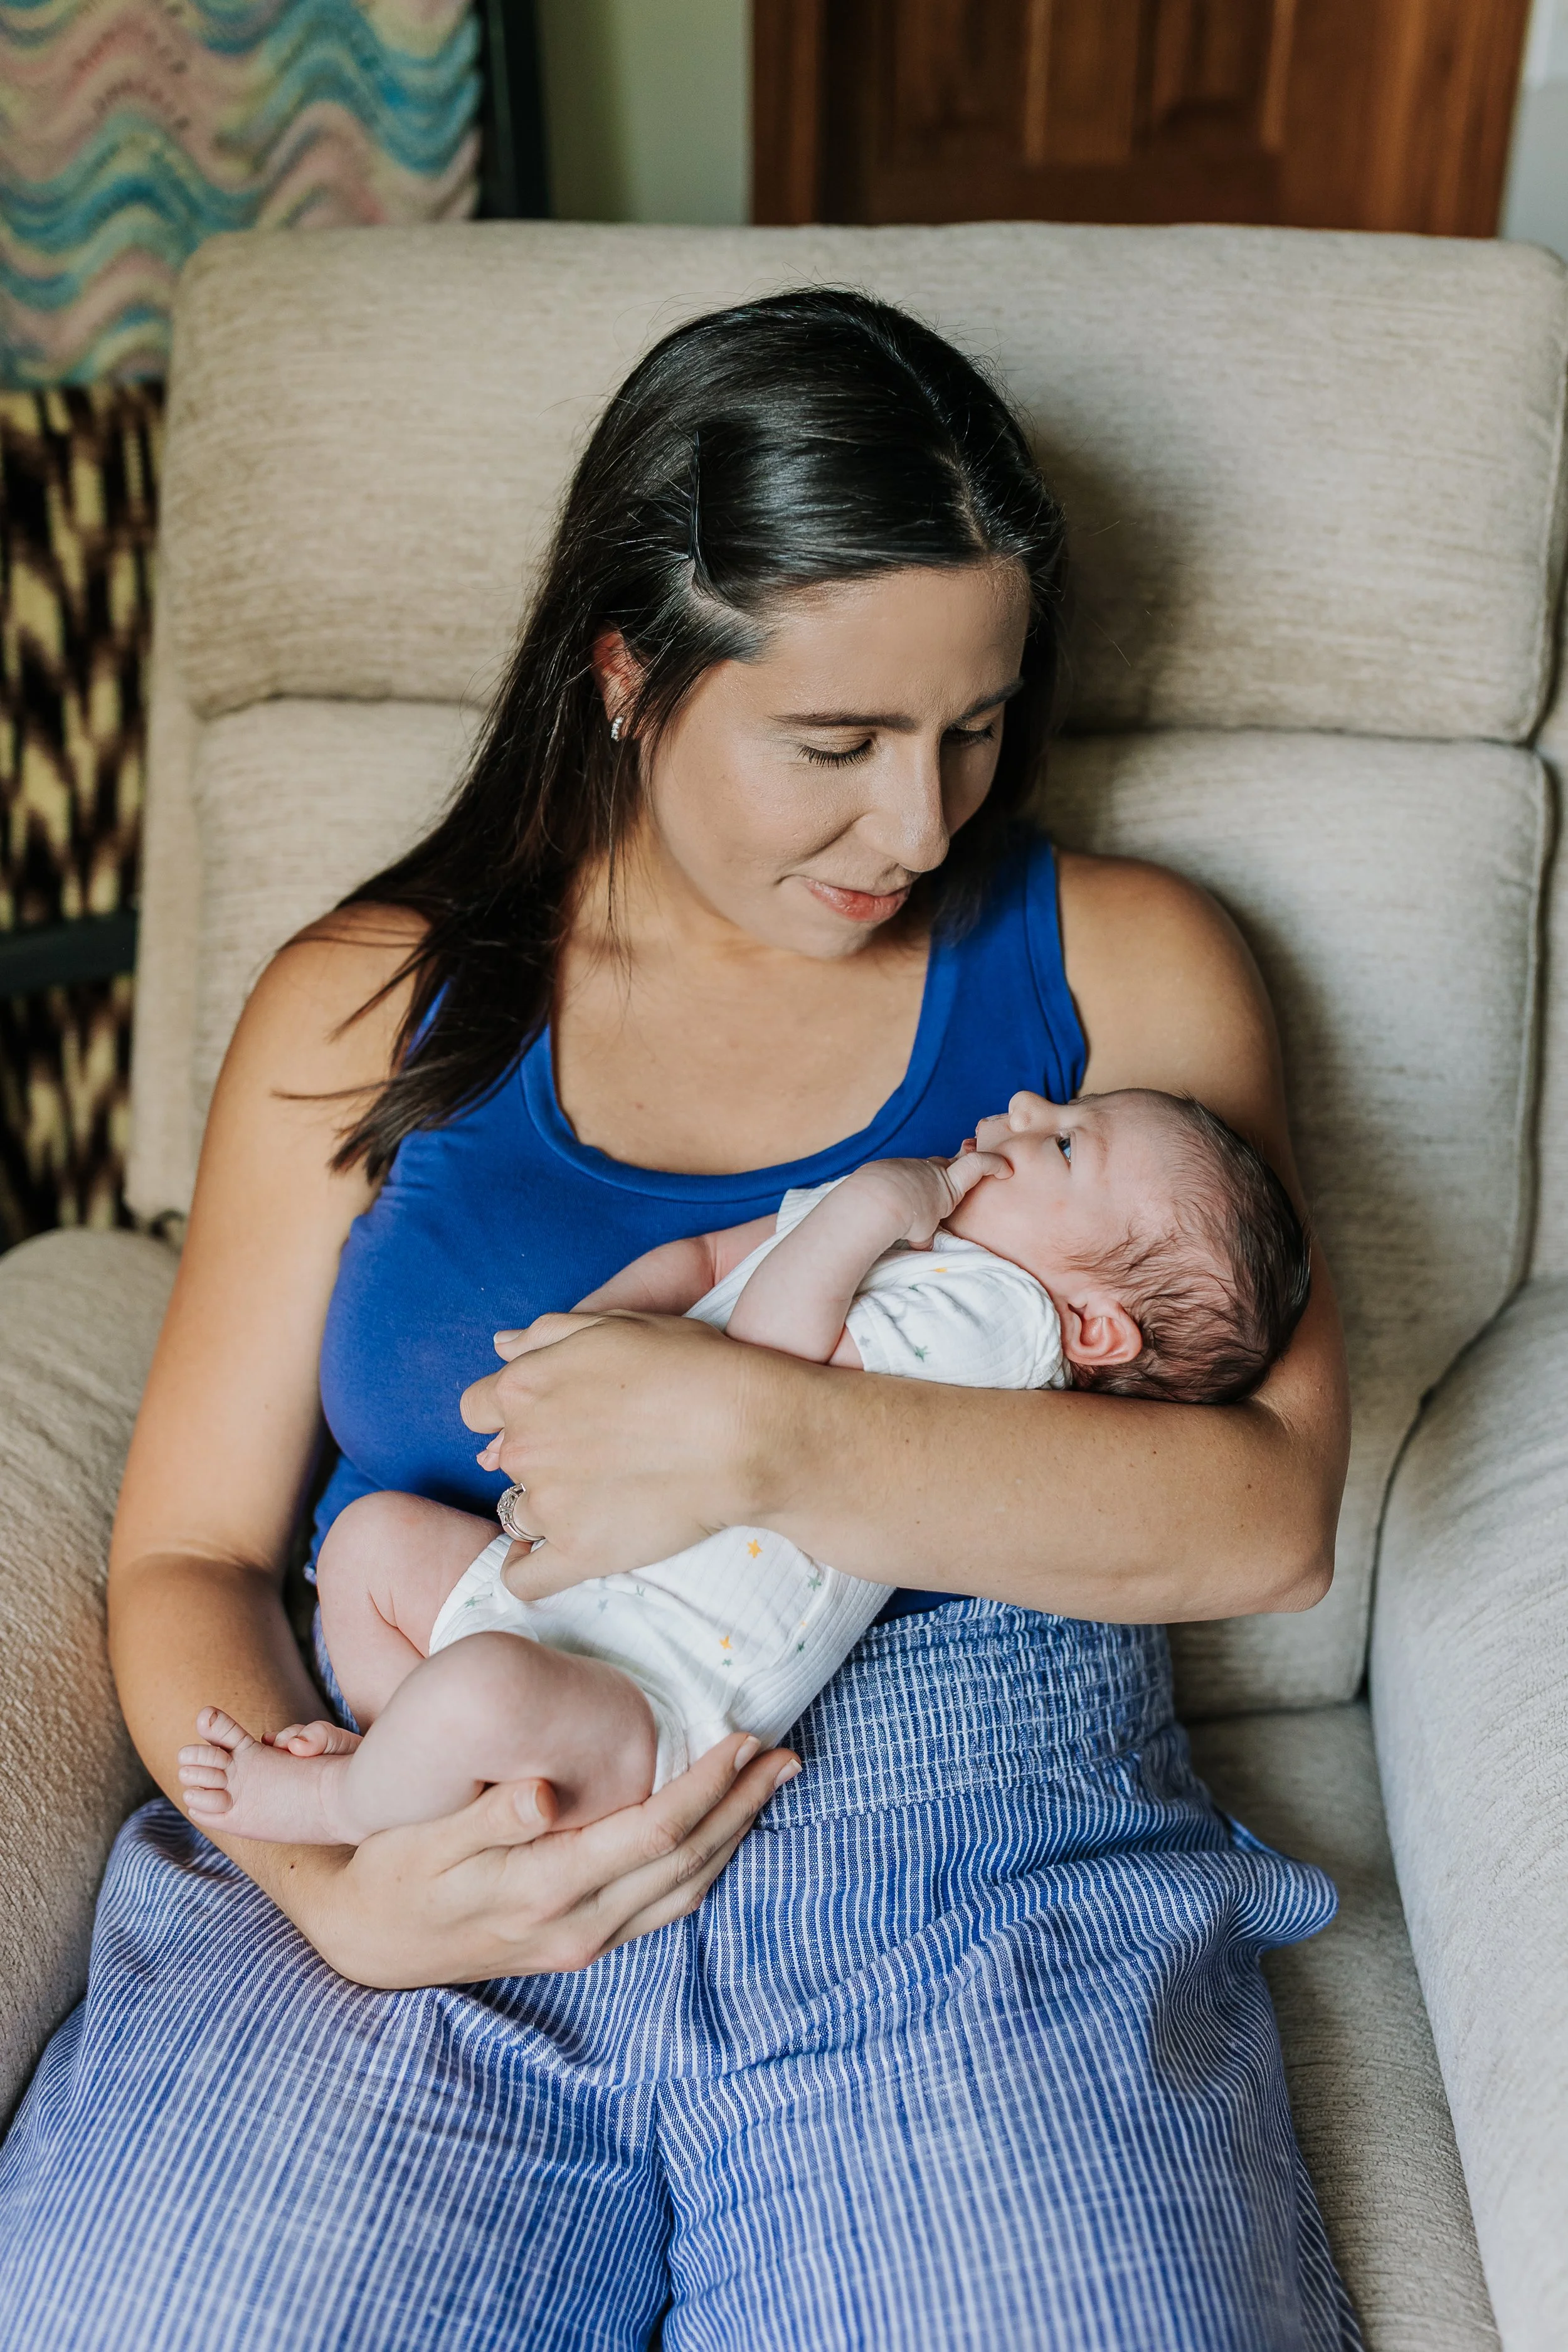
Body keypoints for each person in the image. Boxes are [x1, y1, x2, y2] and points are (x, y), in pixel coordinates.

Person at [0, 289, 1360, 2349]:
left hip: (957, 1835)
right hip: (438, 1765)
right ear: (629, 675)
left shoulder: (1128, 971)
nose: (921, 825)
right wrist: (339, 1888)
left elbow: (1260, 1513)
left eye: (974, 728)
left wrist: (761, 1438)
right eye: (839, 742)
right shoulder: (366, 1007)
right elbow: (188, 1552)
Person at [176, 1089, 1312, 1844]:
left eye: (1066, 1143)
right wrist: (604, 1325)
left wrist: (872, 1205)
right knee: (370, 1547)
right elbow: (722, 1259)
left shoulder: (1001, 1331)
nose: (1025, 1109)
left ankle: (343, 1800)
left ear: (1097, 1327)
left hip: (653, 1702)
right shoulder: (932, 1242)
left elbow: (773, 1363)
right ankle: (415, 1774)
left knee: (481, 1694)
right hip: (555, 1603)